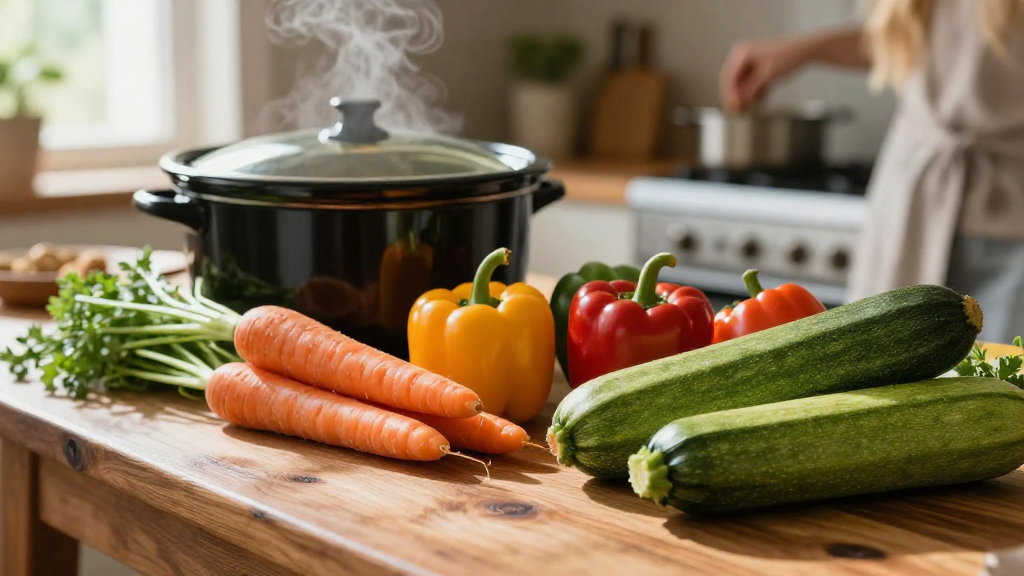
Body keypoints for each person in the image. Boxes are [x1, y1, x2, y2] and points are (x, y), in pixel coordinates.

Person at [720, 0, 1024, 343]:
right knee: (887, 363)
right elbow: (903, 39)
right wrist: (802, 51)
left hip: (1011, 206)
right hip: (912, 200)